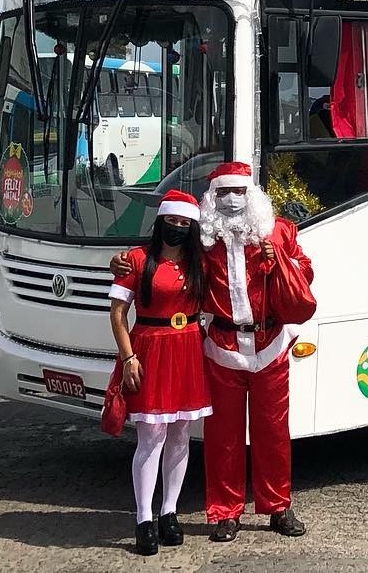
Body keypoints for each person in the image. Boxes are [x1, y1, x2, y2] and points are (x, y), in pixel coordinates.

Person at [111, 162, 312, 543]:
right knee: (223, 437)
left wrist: (281, 260)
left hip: (270, 346)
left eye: (238, 191)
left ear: (252, 194)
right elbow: (160, 261)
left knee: (273, 431)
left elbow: (306, 272)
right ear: (212, 198)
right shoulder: (202, 241)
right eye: (223, 193)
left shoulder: (280, 232)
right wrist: (119, 262)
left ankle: (278, 506)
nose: (232, 199)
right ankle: (225, 512)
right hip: (221, 347)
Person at [107, 189, 211, 556]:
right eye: (173, 221)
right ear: (161, 221)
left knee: (181, 435)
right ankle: (143, 518)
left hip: (188, 350)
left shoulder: (200, 263)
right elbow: (118, 314)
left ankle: (170, 511)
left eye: (185, 223)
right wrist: (128, 357)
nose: (178, 228)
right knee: (151, 438)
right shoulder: (136, 260)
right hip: (149, 349)